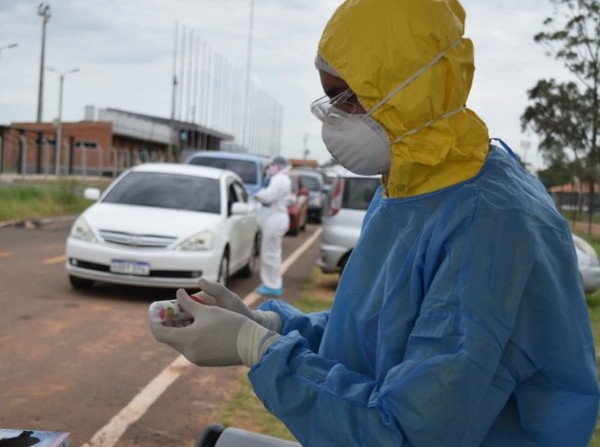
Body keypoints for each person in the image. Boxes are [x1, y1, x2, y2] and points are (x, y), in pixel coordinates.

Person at [151, 0, 600, 445]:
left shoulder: (491, 227)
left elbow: (406, 432)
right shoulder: (410, 190)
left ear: (407, 88)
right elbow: (375, 337)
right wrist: (268, 325)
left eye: (343, 99)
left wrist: (258, 351)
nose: (332, 119)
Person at [253, 155, 292, 297]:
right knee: (271, 253)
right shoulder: (280, 179)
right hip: (275, 219)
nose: (270, 167)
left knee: (270, 254)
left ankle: (273, 284)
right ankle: (271, 283)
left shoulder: (280, 179)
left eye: (273, 165)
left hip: (275, 219)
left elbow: (269, 196)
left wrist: (258, 193)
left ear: (280, 166)